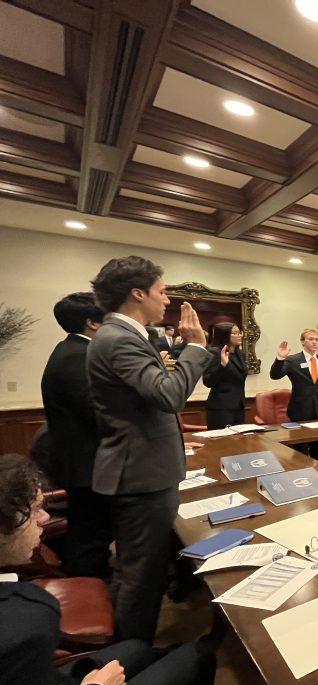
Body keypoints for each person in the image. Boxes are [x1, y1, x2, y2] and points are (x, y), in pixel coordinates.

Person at [0, 455, 217, 685]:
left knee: (139, 648)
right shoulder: (25, 621)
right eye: (34, 511)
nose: (45, 518)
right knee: (196, 656)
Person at [87, 256, 211, 642]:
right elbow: (168, 395)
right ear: (137, 294)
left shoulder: (127, 336)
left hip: (144, 468)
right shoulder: (118, 339)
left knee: (141, 569)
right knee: (142, 575)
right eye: (161, 291)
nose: (167, 299)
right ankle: (129, 661)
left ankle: (129, 651)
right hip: (140, 475)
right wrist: (196, 347)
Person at [39, 292, 111, 578]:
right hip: (87, 468)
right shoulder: (78, 357)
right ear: (93, 323)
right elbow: (100, 415)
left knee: (93, 535)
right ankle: (92, 592)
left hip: (86, 464)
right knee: (90, 539)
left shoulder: (71, 351)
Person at [270, 328, 318, 462]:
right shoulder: (292, 360)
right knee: (300, 452)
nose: (314, 342)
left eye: (317, 340)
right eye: (311, 339)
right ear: (302, 342)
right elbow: (275, 376)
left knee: (317, 448)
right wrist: (280, 358)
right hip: (300, 411)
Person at [202, 323, 247, 429]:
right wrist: (222, 366)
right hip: (220, 408)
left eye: (239, 332)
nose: (239, 335)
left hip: (239, 406)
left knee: (240, 441)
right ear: (224, 335)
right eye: (235, 333)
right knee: (223, 443)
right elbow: (207, 381)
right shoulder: (214, 352)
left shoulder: (239, 353)